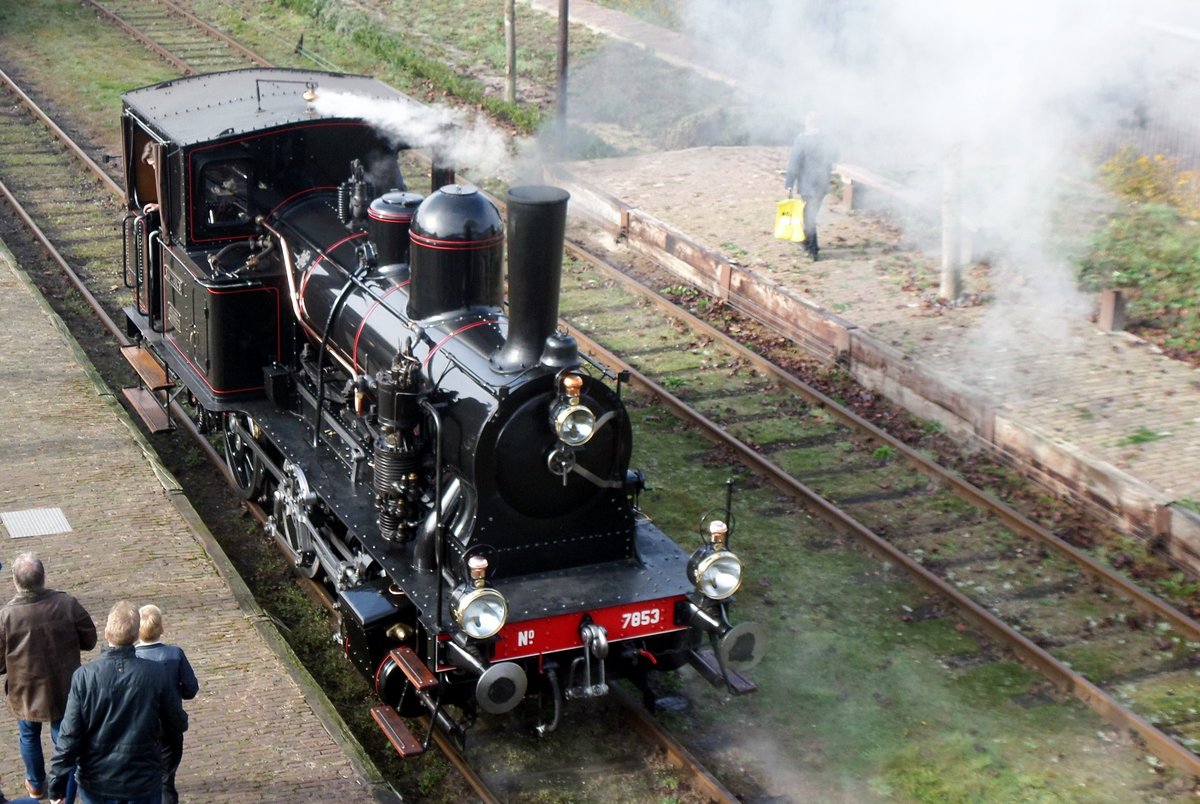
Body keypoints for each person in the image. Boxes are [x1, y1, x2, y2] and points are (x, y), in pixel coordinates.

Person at [46, 601, 187, 804]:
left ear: (106, 633)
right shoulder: (156, 674)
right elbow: (177, 723)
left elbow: (69, 736)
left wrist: (56, 783)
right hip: (142, 779)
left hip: (97, 781)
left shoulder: (84, 677)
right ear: (137, 636)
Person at [0, 553, 97, 801]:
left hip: (25, 690)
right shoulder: (67, 604)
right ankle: (64, 792)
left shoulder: (6, 616)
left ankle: (35, 784)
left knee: (29, 735)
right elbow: (90, 639)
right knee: (64, 741)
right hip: (64, 687)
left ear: (15, 581)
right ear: (43, 577)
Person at [134, 606, 198, 804]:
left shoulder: (130, 658)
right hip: (168, 726)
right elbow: (190, 689)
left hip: (138, 728)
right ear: (162, 629)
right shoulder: (174, 654)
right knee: (165, 781)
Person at [784, 111, 838, 261]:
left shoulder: (802, 139)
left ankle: (812, 248)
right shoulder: (828, 139)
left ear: (808, 123)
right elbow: (835, 156)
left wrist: (789, 183)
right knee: (811, 213)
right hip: (821, 183)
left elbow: (794, 162)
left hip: (807, 184)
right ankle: (807, 242)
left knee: (809, 215)